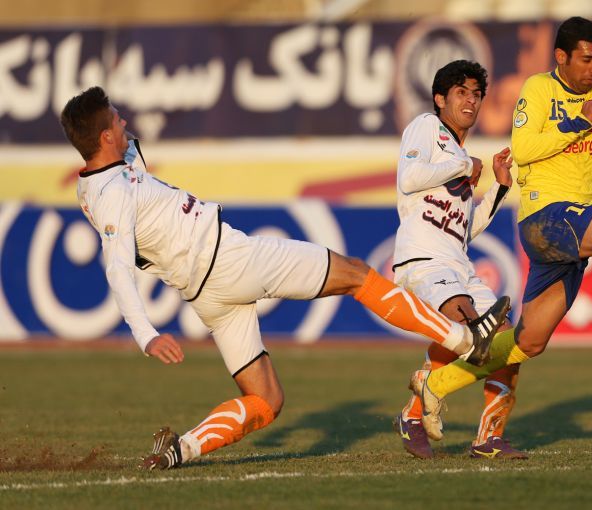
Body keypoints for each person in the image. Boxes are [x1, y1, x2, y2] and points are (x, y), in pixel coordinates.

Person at [59, 86, 511, 470]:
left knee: (266, 400)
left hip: (206, 295)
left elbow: (125, 159)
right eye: (116, 120)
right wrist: (146, 335)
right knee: (356, 275)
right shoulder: (112, 193)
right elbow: (117, 267)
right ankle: (464, 341)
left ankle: (181, 450)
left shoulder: (102, 179)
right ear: (105, 136)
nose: (124, 122)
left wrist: (118, 137)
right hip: (230, 261)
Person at [409, 17, 592, 442]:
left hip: (575, 224)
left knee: (528, 342)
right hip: (545, 215)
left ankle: (435, 384)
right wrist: (577, 122)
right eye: (586, 59)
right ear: (561, 57)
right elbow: (524, 149)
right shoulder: (538, 89)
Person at [391, 60, 527, 460]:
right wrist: (467, 165)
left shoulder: (460, 153)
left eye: (476, 94)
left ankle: (487, 439)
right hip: (424, 259)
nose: (470, 101)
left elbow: (465, 230)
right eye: (461, 92)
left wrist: (499, 188)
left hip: (458, 263)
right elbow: (409, 178)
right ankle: (414, 412)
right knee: (469, 330)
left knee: (506, 342)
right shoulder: (427, 127)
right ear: (440, 98)